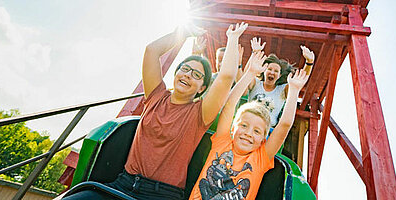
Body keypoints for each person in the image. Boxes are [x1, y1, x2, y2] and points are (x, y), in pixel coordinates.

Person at [63, 22, 249, 200]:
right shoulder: (156, 96)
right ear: (176, 73)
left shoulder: (200, 114)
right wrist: (182, 33)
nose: (187, 75)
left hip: (163, 195)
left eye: (197, 75)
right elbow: (151, 51)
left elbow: (225, 77)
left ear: (202, 88)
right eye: (184, 69)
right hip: (124, 183)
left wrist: (232, 38)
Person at [188, 51, 311, 200]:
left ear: (263, 139)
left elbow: (284, 125)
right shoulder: (222, 142)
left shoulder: (260, 158)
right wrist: (250, 73)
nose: (248, 133)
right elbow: (229, 105)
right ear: (233, 128)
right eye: (244, 125)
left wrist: (294, 91)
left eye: (257, 131)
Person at [246, 37, 315, 129]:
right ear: (264, 71)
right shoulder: (256, 83)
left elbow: (299, 80)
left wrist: (309, 63)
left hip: (267, 129)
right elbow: (246, 76)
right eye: (269, 69)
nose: (272, 72)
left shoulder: (281, 90)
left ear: (279, 76)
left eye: (276, 71)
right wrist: (254, 53)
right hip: (248, 123)